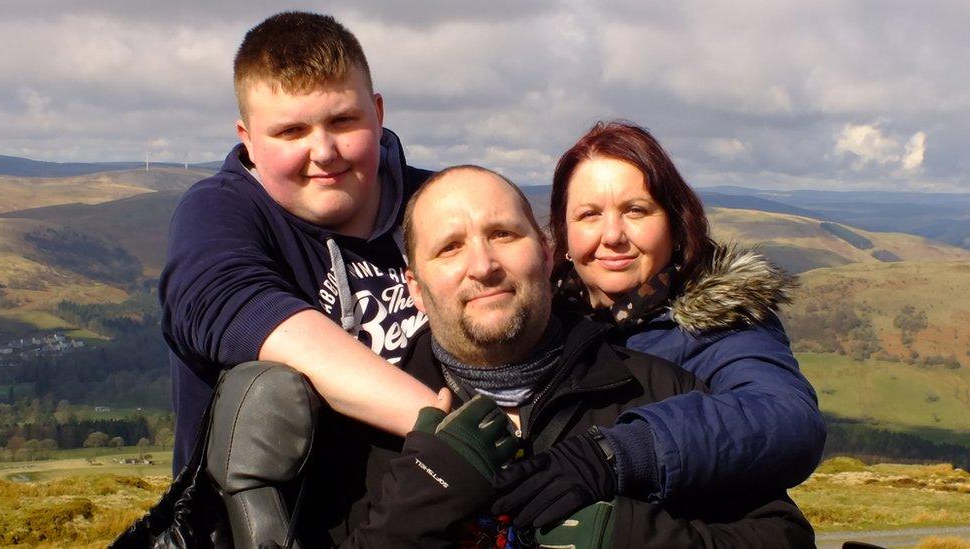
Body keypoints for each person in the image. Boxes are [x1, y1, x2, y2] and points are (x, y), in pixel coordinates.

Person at [205, 165, 815, 547]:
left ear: (547, 254)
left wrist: (632, 535)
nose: (483, 264)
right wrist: (428, 492)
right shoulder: (357, 430)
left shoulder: (656, 392)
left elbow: (784, 536)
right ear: (415, 288)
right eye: (449, 248)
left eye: (503, 233)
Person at [494, 121, 826, 527]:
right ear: (563, 232)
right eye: (588, 215)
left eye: (635, 210)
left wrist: (620, 454)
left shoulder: (723, 324)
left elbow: (787, 418)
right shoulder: (539, 321)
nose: (612, 235)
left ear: (674, 220)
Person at [159, 12, 449, 474]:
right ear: (248, 140)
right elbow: (229, 304)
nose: (324, 152)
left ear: (378, 113)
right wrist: (449, 432)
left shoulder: (443, 203)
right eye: (291, 131)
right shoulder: (217, 211)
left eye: (343, 121)